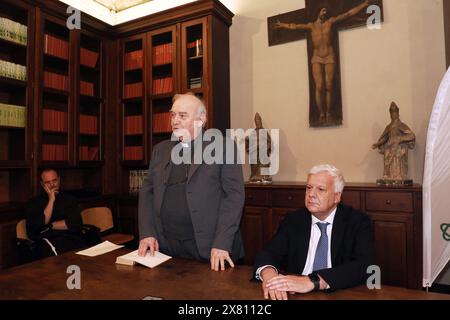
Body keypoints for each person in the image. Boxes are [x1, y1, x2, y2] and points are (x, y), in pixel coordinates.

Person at [138, 92, 245, 271]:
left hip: (210, 249)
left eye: (182, 115)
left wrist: (221, 242)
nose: (175, 121)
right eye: (172, 114)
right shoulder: (160, 150)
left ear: (201, 119)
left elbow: (234, 197)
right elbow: (147, 192)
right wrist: (147, 233)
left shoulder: (223, 147)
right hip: (166, 248)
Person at [254, 164, 374, 300]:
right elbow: (269, 253)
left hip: (337, 293)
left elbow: (365, 266)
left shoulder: (358, 222)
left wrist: (314, 281)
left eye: (321, 189)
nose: (311, 194)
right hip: (294, 293)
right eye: (308, 188)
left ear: (336, 197)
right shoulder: (294, 220)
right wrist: (271, 279)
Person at [275, 0, 373, 124]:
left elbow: (348, 14)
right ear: (318, 12)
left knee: (329, 85)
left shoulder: (330, 22)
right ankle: (321, 112)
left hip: (329, 56)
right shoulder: (311, 25)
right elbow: (294, 26)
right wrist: (282, 24)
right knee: (319, 86)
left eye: (326, 11)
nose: (325, 12)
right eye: (323, 10)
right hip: (316, 57)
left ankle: (329, 112)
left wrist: (363, 5)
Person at [26, 169, 85, 259]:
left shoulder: (70, 199)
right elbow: (38, 226)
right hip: (48, 242)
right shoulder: (34, 203)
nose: (52, 185)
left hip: (71, 239)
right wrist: (51, 200)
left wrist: (49, 226)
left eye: (54, 180)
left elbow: (75, 224)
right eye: (48, 182)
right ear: (42, 184)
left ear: (59, 180)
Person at [372, 102, 416, 181]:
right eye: (392, 113)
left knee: (397, 151)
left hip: (398, 149)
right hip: (389, 148)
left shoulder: (402, 125)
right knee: (387, 151)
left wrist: (400, 138)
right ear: (390, 114)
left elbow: (412, 136)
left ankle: (399, 175)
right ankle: (388, 175)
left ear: (398, 113)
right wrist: (377, 144)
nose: (393, 115)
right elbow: (385, 138)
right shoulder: (388, 127)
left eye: (395, 112)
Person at [245, 112, 272, 183]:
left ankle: (264, 177)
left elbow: (269, 142)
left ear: (260, 121)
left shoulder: (264, 132)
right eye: (256, 122)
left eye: (258, 121)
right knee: (254, 165)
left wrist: (266, 148)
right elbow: (250, 144)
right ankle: (255, 176)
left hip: (263, 153)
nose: (257, 123)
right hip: (255, 154)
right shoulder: (253, 132)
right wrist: (247, 140)